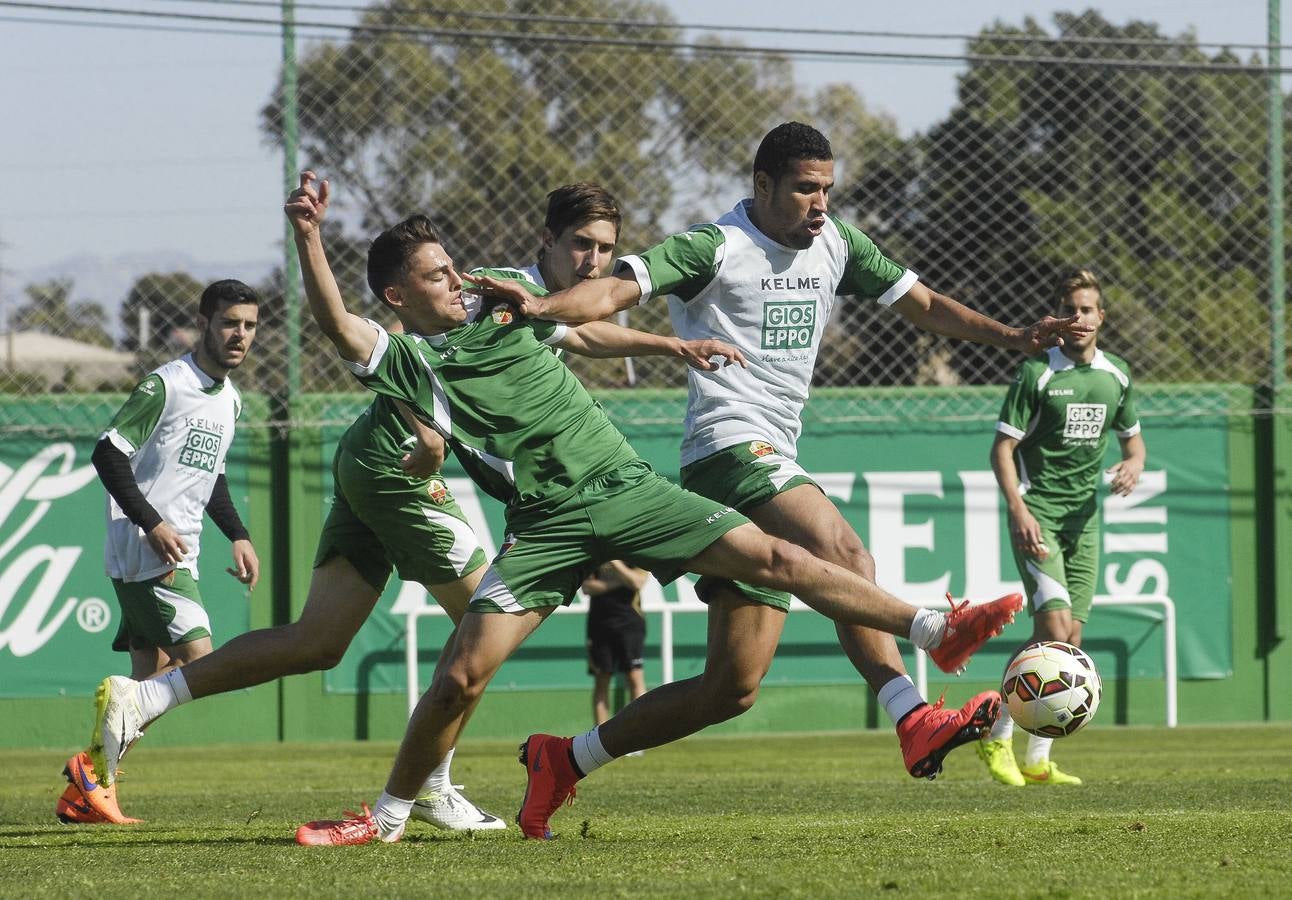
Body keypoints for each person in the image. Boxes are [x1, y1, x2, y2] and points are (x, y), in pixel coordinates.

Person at [253, 171, 1021, 846]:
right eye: (435, 276)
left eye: (453, 267)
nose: (456, 281)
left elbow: (581, 325)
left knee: (782, 558)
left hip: (628, 489)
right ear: (396, 296)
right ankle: (385, 816)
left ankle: (935, 628)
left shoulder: (500, 295)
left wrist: (669, 347)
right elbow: (336, 326)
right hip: (545, 525)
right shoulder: (411, 361)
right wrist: (309, 236)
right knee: (459, 676)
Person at [86, 181, 739, 833]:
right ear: (549, 243)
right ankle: (429, 785)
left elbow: (585, 334)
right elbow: (394, 348)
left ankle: (148, 696)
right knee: (487, 621)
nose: (596, 262)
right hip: (394, 466)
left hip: (365, 461)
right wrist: (426, 433)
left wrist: (673, 348)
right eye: (583, 247)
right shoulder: (490, 291)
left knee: (318, 641)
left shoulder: (536, 308)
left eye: (606, 251)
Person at [469, 121, 1094, 787]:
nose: (819, 203)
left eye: (826, 188)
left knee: (731, 688)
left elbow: (928, 304)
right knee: (846, 555)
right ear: (763, 186)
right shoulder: (714, 246)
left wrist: (1015, 335)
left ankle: (564, 760)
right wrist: (545, 306)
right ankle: (914, 713)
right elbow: (614, 292)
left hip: (765, 457)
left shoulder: (838, 245)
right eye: (803, 189)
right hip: (728, 451)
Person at [59, 280, 261, 826]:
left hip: (176, 553)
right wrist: (151, 523)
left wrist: (238, 533)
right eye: (228, 323)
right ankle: (92, 773)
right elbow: (108, 454)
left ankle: (90, 785)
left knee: (154, 672)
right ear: (204, 323)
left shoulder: (231, 399)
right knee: (201, 663)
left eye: (248, 325)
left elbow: (210, 476)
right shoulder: (166, 386)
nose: (239, 335)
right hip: (149, 556)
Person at [977, 268, 1145, 787]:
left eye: (1087, 309)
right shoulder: (1037, 373)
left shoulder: (1116, 376)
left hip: (1084, 521)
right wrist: (1018, 510)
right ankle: (995, 736)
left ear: (1101, 317)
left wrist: (1133, 464)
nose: (1078, 318)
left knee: (1070, 638)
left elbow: (1133, 443)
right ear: (1059, 315)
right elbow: (1001, 449)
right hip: (1039, 516)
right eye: (1070, 309)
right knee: (1052, 630)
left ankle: (1036, 758)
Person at [583, 561, 649, 728]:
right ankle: (598, 740)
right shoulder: (596, 552)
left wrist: (615, 563)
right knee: (602, 679)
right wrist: (620, 582)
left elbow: (638, 582)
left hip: (630, 623)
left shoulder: (633, 553)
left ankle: (638, 736)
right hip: (599, 624)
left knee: (635, 677)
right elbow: (587, 587)